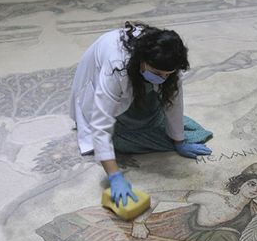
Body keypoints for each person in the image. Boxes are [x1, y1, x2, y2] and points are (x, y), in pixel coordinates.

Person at [70, 21, 213, 207]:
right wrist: (114, 175)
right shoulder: (116, 68)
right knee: (120, 140)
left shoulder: (169, 64)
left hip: (137, 76)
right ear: (142, 60)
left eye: (167, 74)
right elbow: (101, 122)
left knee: (161, 124)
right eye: (157, 73)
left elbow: (174, 103)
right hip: (102, 76)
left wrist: (179, 141)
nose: (163, 78)